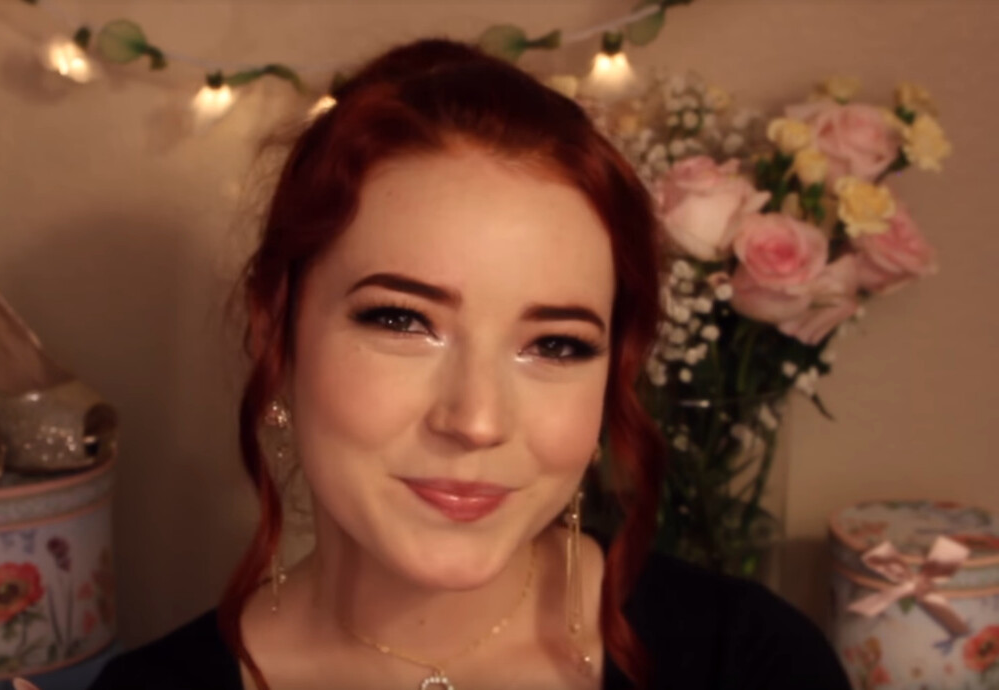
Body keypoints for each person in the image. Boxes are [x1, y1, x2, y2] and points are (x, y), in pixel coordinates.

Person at [90, 38, 851, 690]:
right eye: (401, 320)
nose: (477, 420)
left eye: (556, 344)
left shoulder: (749, 661)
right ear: (274, 332)